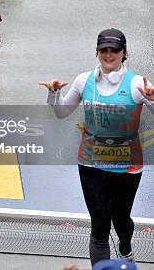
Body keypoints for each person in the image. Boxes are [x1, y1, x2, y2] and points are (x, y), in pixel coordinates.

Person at [39, 29, 154, 266]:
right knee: (100, 224)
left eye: (115, 50)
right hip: (91, 164)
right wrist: (53, 93)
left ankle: (125, 247)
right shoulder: (84, 81)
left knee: (120, 219)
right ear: (97, 52)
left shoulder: (136, 84)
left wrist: (151, 100)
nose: (109, 55)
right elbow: (62, 112)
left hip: (127, 167)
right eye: (104, 50)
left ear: (124, 53)